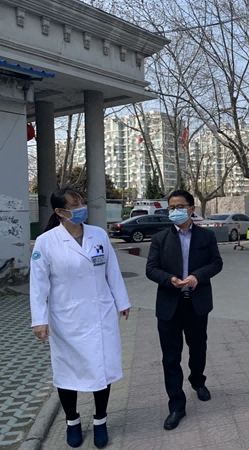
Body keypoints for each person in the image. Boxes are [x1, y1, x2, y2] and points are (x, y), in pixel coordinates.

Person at [30, 188, 131, 449]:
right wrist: (39, 320)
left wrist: (122, 301)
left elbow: (112, 270)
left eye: (82, 202)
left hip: (100, 314)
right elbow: (38, 284)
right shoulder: (46, 242)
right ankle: (72, 421)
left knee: (101, 369)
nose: (81, 208)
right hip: (67, 319)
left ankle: (100, 420)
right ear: (59, 211)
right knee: (68, 372)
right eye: (74, 205)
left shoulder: (98, 234)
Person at [146, 189, 223, 431]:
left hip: (197, 304)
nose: (175, 211)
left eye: (180, 207)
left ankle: (198, 380)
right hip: (169, 305)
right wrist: (169, 280)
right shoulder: (160, 238)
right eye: (171, 207)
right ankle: (176, 405)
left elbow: (216, 263)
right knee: (170, 357)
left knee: (198, 348)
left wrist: (197, 276)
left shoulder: (206, 236)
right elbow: (151, 269)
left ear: (191, 209)